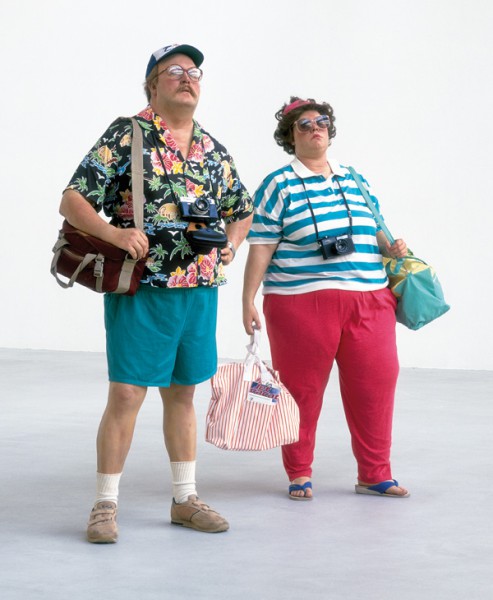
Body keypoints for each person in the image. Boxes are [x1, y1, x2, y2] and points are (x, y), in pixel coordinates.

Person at [60, 43, 253, 542]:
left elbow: (242, 208)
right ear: (152, 85)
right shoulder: (127, 134)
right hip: (143, 286)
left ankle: (185, 499)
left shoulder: (212, 148)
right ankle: (104, 504)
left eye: (195, 72)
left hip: (200, 289)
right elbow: (73, 199)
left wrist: (231, 246)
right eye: (175, 71)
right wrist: (115, 233)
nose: (188, 78)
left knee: (183, 393)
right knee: (127, 393)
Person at [242, 96, 409, 501]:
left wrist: (390, 246)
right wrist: (248, 299)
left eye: (321, 122)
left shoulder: (355, 179)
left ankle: (375, 474)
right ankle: (299, 471)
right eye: (304, 124)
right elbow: (261, 247)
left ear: (330, 131)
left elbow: (375, 229)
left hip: (369, 298)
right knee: (301, 390)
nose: (315, 128)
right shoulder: (277, 185)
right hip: (299, 302)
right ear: (290, 136)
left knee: (376, 385)